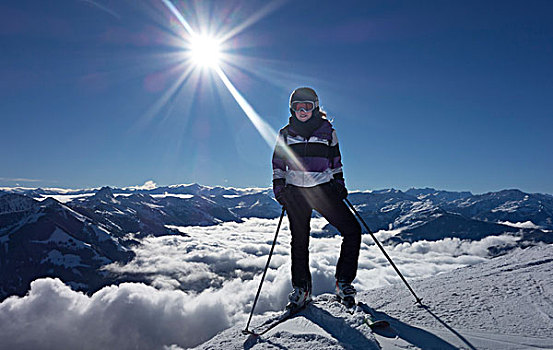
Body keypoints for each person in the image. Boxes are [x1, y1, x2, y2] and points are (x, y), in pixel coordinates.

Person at [272, 87, 362, 309]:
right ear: (292, 109)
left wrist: (339, 185)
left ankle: (343, 283)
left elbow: (335, 162)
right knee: (299, 241)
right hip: (295, 192)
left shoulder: (327, 132)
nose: (303, 111)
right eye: (298, 107)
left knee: (352, 230)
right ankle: (302, 290)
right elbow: (278, 164)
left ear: (315, 107)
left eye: (308, 106)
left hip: (323, 190)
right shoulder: (285, 134)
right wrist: (279, 189)